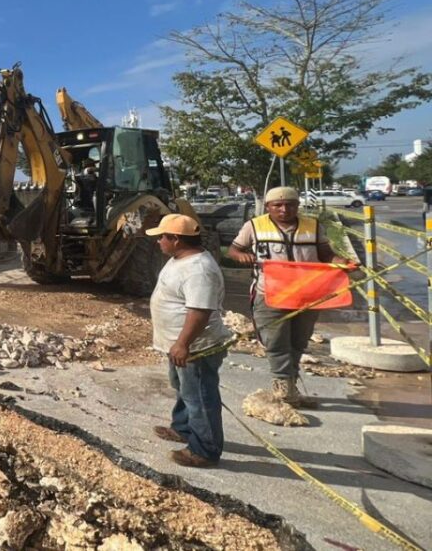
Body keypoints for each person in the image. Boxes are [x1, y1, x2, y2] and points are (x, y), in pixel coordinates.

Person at [228, 186, 351, 406]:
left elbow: (326, 254)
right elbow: (233, 250)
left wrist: (340, 262)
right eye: (278, 205)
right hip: (270, 295)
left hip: (307, 296)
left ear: (297, 206)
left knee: (298, 342)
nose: (284, 209)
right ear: (268, 207)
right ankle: (283, 386)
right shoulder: (254, 226)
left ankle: (289, 383)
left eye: (290, 205)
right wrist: (242, 256)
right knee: (276, 343)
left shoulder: (312, 226)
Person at [146, 214, 232, 468]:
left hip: (196, 346)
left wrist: (183, 344)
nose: (159, 241)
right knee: (183, 387)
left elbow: (200, 311)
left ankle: (205, 449)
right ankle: (183, 428)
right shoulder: (181, 259)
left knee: (200, 397)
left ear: (176, 239)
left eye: (163, 237)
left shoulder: (199, 270)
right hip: (180, 343)